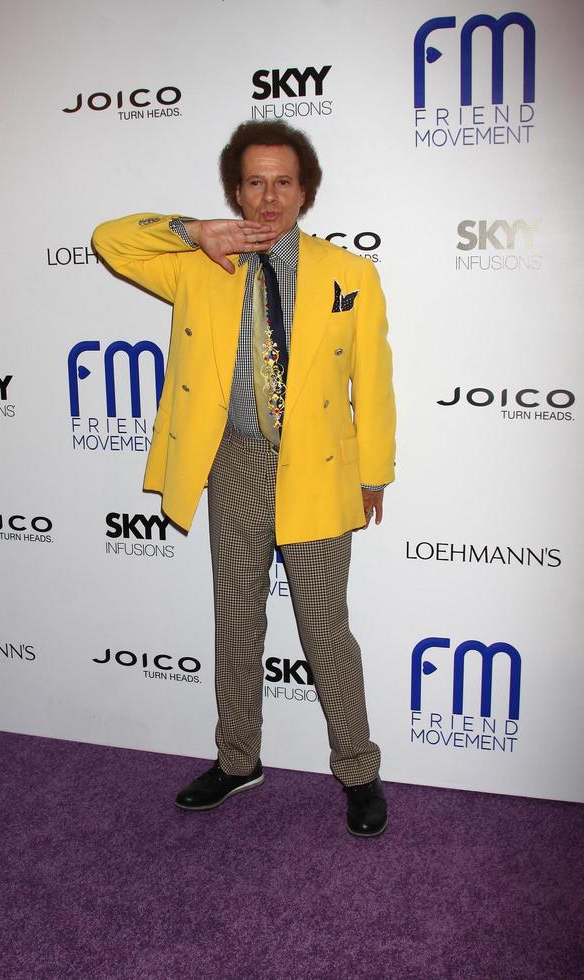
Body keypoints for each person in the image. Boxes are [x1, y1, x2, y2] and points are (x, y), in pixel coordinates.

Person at [92, 120, 396, 838]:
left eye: (283, 181)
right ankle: (237, 761)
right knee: (237, 619)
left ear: (305, 191)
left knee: (325, 629)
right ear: (235, 189)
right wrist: (191, 231)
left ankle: (358, 769)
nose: (268, 197)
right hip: (233, 459)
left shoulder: (349, 273)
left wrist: (375, 472)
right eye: (254, 182)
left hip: (319, 468)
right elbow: (111, 239)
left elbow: (373, 382)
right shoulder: (199, 263)